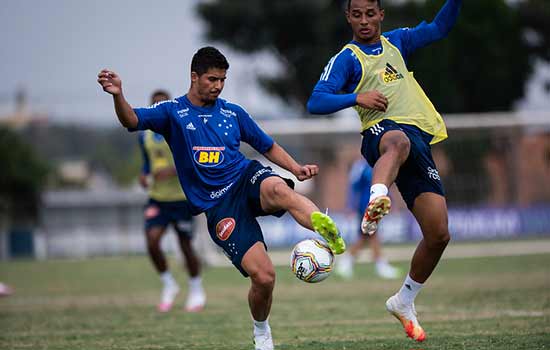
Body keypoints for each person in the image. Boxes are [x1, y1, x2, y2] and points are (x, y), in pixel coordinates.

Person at [98, 46, 346, 350]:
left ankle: (324, 228)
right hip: (218, 206)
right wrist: (117, 95)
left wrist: (296, 168)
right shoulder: (172, 113)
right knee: (265, 277)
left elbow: (267, 146)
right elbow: (131, 120)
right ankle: (261, 330)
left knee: (281, 189)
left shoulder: (233, 112)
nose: (218, 86)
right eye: (212, 79)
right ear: (194, 77)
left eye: (222, 80)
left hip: (244, 178)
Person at [307, 0, 461, 342]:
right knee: (399, 142)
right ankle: (377, 198)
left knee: (439, 234)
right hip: (382, 135)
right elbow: (316, 101)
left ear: (381, 14)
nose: (364, 21)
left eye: (370, 13)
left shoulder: (398, 43)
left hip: (418, 142)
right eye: (357, 14)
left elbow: (439, 28)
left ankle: (403, 300)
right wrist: (356, 97)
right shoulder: (347, 58)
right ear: (348, 16)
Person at [138, 89, 206, 313]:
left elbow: (194, 161)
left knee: (185, 246)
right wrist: (144, 174)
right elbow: (148, 164)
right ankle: (169, 284)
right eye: (154, 107)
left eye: (162, 106)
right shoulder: (145, 135)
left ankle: (196, 289)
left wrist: (171, 172)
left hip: (182, 198)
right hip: (158, 198)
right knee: (152, 241)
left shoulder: (182, 132)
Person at [336, 158, 401, 280]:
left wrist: (392, 202)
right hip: (365, 207)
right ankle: (379, 265)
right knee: (368, 235)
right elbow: (353, 188)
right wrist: (350, 206)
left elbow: (386, 186)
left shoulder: (382, 164)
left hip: (378, 207)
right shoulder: (360, 166)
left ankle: (348, 263)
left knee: (369, 235)